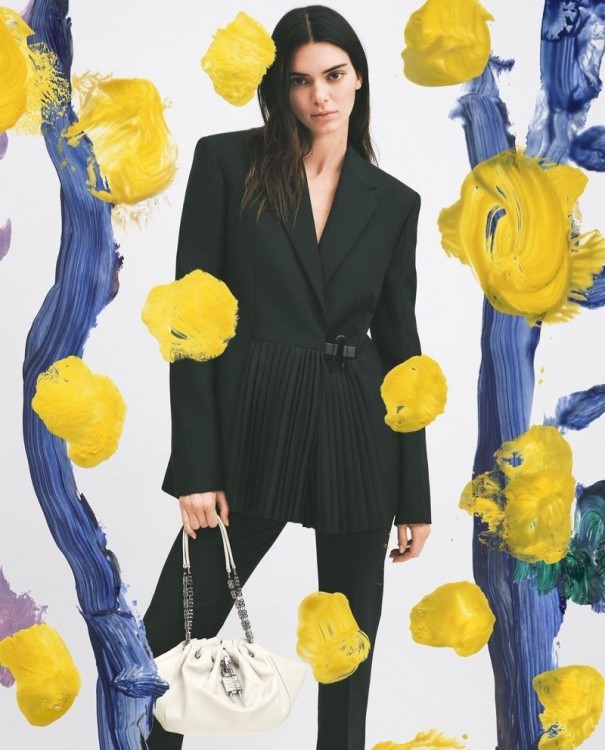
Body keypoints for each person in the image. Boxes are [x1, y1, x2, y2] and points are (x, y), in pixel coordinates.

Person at [143, 6, 431, 749]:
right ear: (279, 88)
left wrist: (413, 490)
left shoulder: (394, 202)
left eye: (334, 75)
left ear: (358, 78)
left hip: (356, 434)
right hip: (253, 428)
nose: (319, 96)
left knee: (347, 657)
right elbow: (190, 321)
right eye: (300, 81)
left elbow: (402, 350)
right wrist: (196, 467)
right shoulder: (225, 164)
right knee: (161, 646)